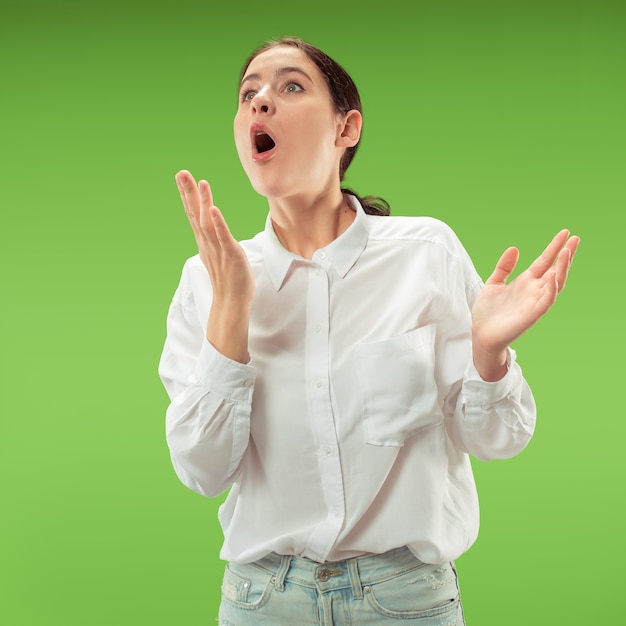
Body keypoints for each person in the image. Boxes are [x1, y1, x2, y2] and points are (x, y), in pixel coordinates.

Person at [158, 36, 579, 626]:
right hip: (261, 602)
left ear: (345, 128)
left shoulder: (425, 252)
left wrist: (488, 351)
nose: (259, 102)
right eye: (248, 93)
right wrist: (230, 310)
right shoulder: (208, 279)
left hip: (405, 599)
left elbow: (497, 439)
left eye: (290, 86)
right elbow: (201, 471)